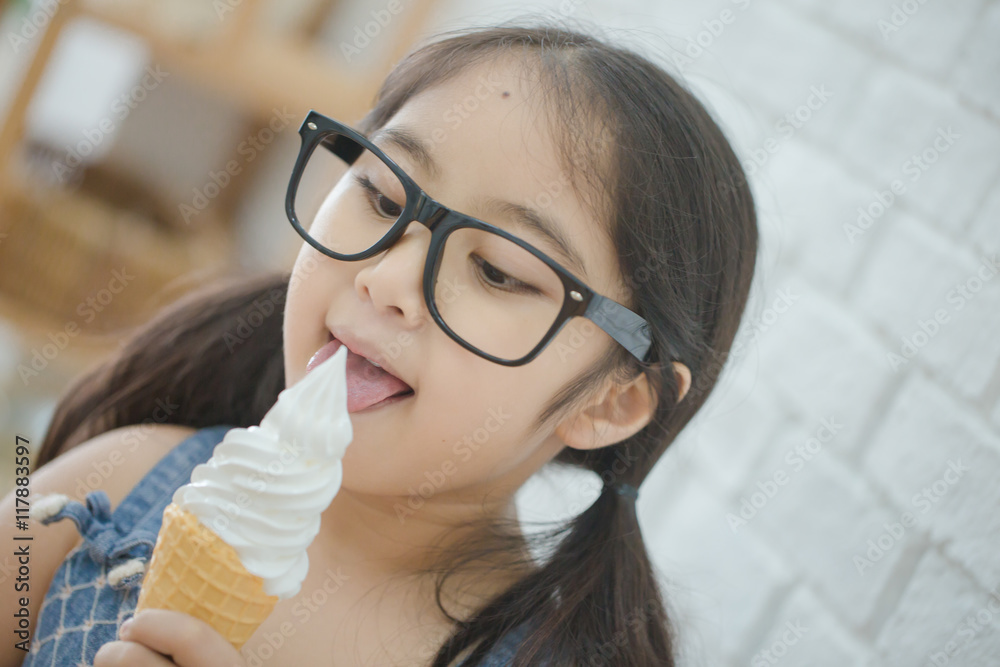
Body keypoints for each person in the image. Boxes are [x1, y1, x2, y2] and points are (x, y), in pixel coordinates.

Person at [1, 17, 757, 667]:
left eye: (497, 270)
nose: (387, 278)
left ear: (612, 398)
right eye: (383, 194)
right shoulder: (119, 491)